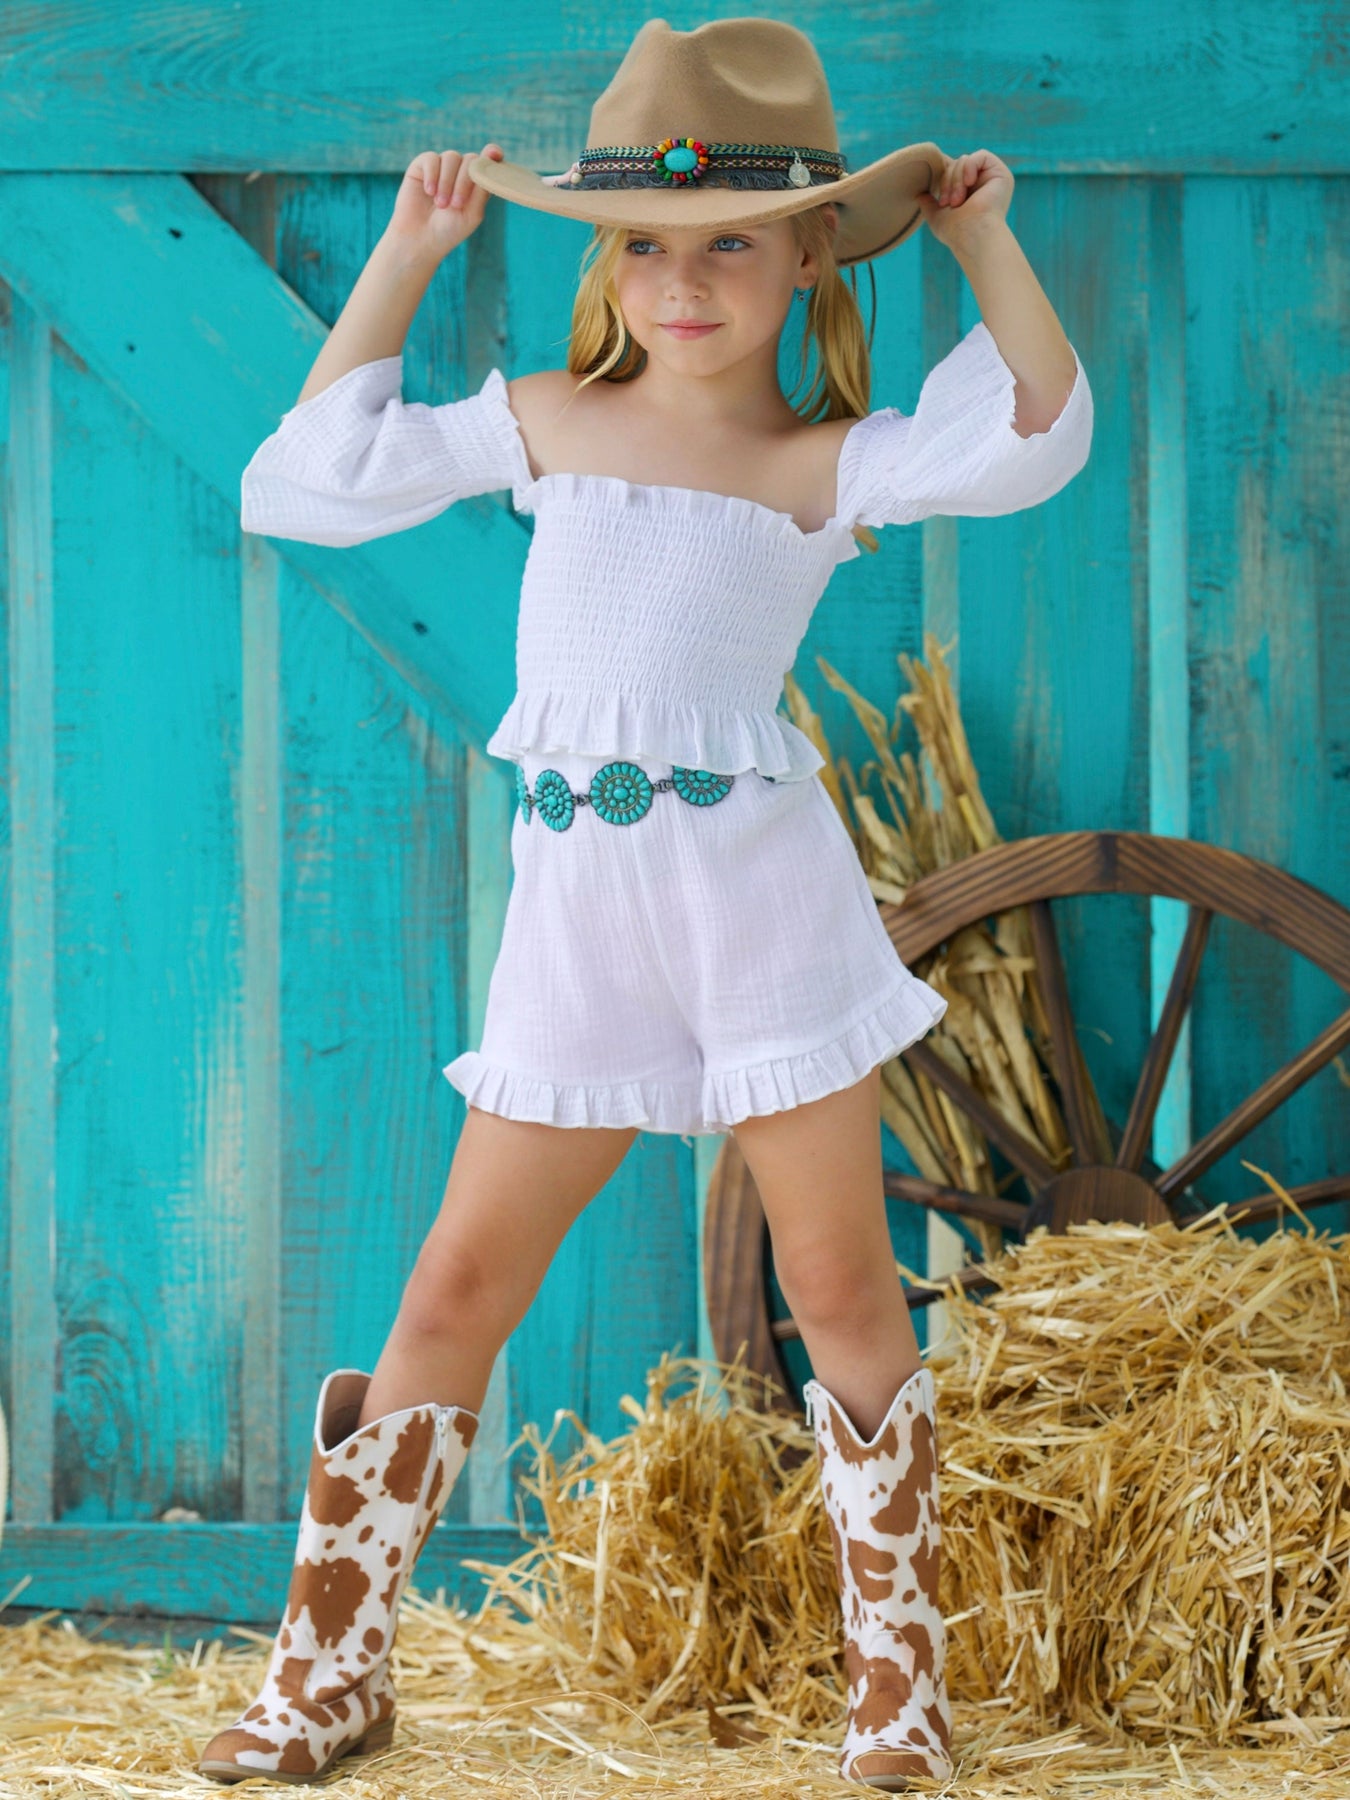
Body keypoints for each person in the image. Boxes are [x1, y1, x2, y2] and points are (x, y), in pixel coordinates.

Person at [196, 16, 1092, 1790]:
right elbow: (301, 483)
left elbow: (1036, 430)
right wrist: (408, 254)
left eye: (731, 243)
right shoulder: (544, 420)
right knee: (458, 1278)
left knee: (835, 1279)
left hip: (760, 909)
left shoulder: (827, 461)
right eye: (646, 246)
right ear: (606, 261)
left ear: (809, 254)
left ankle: (896, 1694)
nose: (684, 284)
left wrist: (982, 237)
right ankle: (327, 1676)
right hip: (579, 918)